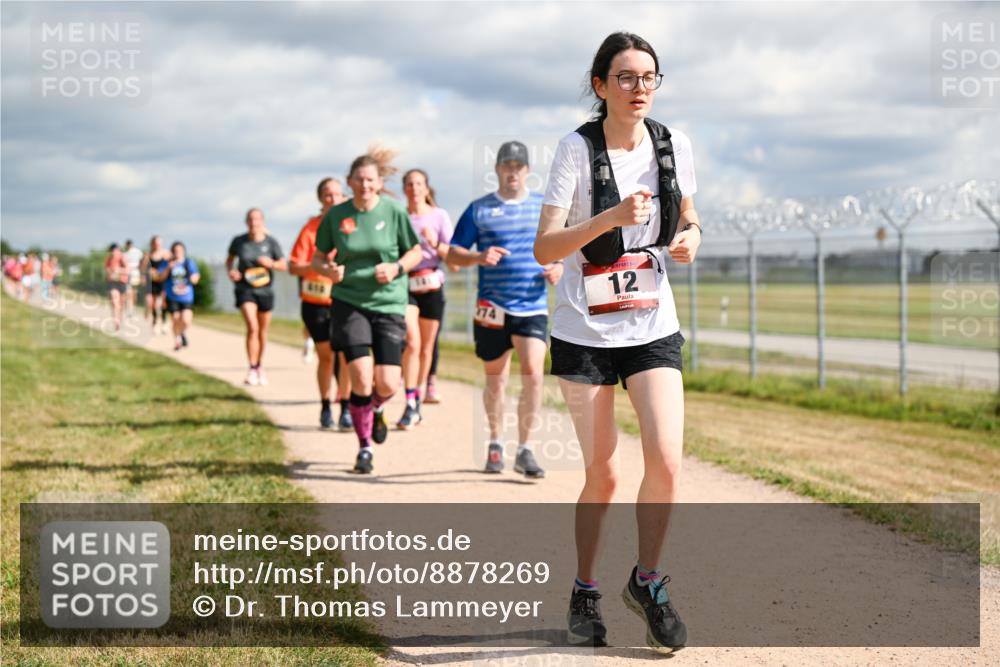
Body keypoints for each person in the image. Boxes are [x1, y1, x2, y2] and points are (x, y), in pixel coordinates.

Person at [533, 32, 702, 651]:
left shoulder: (674, 143)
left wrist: (692, 238)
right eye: (626, 77)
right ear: (600, 85)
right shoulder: (574, 150)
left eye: (650, 77)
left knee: (666, 458)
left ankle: (649, 581)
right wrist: (609, 218)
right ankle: (584, 588)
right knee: (602, 473)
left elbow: (688, 213)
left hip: (652, 323)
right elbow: (545, 247)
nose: (640, 89)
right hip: (583, 330)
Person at [447, 141, 562, 479]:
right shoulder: (479, 209)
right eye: (506, 165)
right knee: (495, 381)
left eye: (518, 166)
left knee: (534, 374)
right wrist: (478, 257)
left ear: (527, 170)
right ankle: (495, 442)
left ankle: (525, 449)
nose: (512, 171)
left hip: (532, 306)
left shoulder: (544, 207)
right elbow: (453, 254)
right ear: (497, 169)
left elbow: (565, 248)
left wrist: (558, 266)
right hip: (492, 308)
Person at [311, 149, 422, 475]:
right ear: (349, 182)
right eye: (358, 180)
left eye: (370, 180)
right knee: (360, 377)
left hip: (388, 303)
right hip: (349, 302)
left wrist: (397, 267)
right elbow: (319, 257)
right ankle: (364, 448)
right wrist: (328, 269)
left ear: (379, 182)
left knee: (387, 383)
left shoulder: (394, 211)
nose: (364, 185)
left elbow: (415, 252)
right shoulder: (336, 216)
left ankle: (373, 409)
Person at [289, 177, 354, 430]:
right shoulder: (311, 228)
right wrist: (320, 266)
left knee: (347, 355)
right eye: (327, 195)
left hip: (346, 298)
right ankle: (326, 405)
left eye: (337, 195)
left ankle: (346, 406)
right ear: (320, 199)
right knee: (326, 356)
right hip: (316, 301)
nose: (333, 199)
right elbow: (294, 266)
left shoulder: (351, 225)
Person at [396, 168, 453, 429]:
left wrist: (434, 243)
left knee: (427, 348)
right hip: (406, 284)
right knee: (412, 343)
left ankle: (417, 399)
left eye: (418, 183)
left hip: (431, 284)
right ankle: (409, 401)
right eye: (409, 183)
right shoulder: (400, 216)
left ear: (426, 188)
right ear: (404, 188)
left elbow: (453, 258)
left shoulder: (439, 216)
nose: (414, 188)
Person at [226, 208, 287, 386]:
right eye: (251, 220)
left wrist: (271, 263)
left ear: (263, 221)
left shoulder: (271, 242)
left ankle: (260, 365)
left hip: (265, 291)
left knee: (262, 331)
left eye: (257, 220)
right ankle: (252, 367)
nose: (254, 223)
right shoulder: (239, 241)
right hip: (245, 289)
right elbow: (229, 261)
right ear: (246, 222)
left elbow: (284, 265)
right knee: (252, 327)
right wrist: (232, 271)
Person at [158, 242, 200, 351]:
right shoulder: (166, 263)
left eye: (179, 250)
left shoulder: (188, 262)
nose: (177, 253)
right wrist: (168, 268)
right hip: (172, 296)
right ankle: (177, 341)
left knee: (186, 320)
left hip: (186, 296)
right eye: (175, 250)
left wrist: (193, 278)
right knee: (175, 319)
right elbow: (160, 277)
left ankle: (182, 333)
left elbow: (196, 276)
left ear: (183, 251)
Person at [142, 236, 171, 334]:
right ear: (152, 244)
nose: (157, 245)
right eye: (155, 243)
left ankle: (164, 321)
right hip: (151, 282)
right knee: (153, 303)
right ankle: (154, 322)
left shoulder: (166, 254)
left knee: (163, 303)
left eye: (159, 243)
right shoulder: (148, 254)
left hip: (163, 281)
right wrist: (148, 271)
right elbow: (143, 268)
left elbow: (171, 266)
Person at [104, 243, 129, 330]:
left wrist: (119, 270)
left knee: (121, 304)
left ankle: (119, 318)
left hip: (122, 282)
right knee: (115, 302)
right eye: (112, 250)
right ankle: (116, 321)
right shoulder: (108, 259)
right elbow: (106, 269)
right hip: (112, 282)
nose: (114, 252)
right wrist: (110, 272)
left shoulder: (122, 257)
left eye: (115, 250)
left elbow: (127, 269)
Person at [123, 239, 145, 319]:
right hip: (129, 274)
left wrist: (142, 273)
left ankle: (132, 308)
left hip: (135, 273)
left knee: (133, 292)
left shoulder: (137, 252)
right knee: (129, 292)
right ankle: (130, 308)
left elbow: (143, 262)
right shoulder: (125, 254)